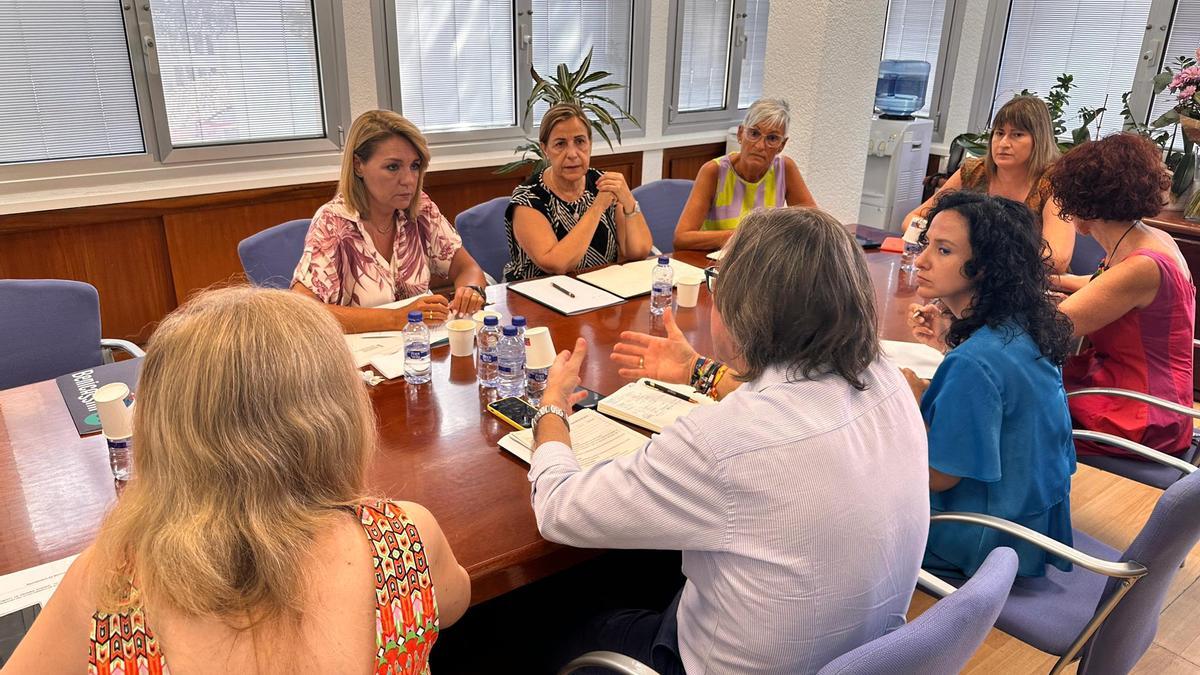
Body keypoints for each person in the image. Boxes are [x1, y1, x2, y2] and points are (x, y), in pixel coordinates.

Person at [529, 207, 930, 673]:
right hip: (855, 652)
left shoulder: (727, 444)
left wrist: (551, 409)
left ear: (741, 308)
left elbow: (558, 509)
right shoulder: (889, 380)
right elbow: (800, 407)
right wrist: (700, 370)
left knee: (546, 620)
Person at [4, 287, 470, 673]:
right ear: (341, 417)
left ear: (158, 425)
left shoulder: (107, 584)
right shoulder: (406, 538)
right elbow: (452, 602)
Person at [905, 191, 1076, 578]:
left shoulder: (973, 362)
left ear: (984, 266)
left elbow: (938, 475)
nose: (922, 259)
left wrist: (914, 400)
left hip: (980, 541)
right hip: (1032, 528)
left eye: (943, 250)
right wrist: (947, 346)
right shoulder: (1026, 329)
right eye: (927, 244)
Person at [1049, 134, 1195, 458]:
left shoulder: (1142, 266)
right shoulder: (1150, 238)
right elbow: (1103, 283)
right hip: (1138, 390)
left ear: (1084, 207)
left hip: (1141, 413)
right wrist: (1056, 280)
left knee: (1019, 411)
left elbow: (1049, 327)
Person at [292, 109, 487, 332]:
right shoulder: (334, 222)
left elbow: (467, 268)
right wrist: (395, 318)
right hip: (359, 358)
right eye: (393, 167)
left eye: (414, 166)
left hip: (421, 347)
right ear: (358, 165)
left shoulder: (420, 209)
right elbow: (304, 309)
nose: (409, 180)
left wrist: (471, 291)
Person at [903, 95, 1075, 272]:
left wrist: (981, 253)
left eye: (1017, 135)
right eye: (999, 133)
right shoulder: (974, 172)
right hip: (969, 275)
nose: (1003, 143)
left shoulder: (1053, 183)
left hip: (1032, 286)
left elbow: (1057, 259)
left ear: (1039, 140)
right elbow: (913, 219)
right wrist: (936, 243)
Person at [503, 103, 654, 282]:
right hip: (539, 298)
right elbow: (558, 264)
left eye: (580, 141)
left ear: (590, 143)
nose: (572, 153)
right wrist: (597, 207)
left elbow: (638, 251)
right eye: (560, 144)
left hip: (603, 291)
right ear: (545, 149)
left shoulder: (602, 183)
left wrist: (628, 202)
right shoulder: (528, 199)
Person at [672, 98, 817, 252]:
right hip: (717, 262)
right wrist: (744, 236)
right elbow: (681, 238)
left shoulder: (785, 169)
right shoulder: (714, 171)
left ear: (782, 145)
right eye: (754, 133)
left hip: (763, 260)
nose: (760, 145)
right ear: (741, 134)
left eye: (772, 138)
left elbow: (814, 225)